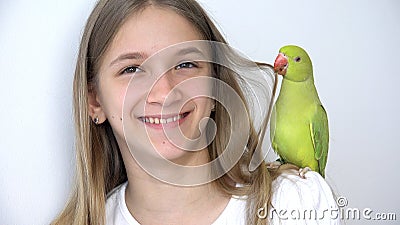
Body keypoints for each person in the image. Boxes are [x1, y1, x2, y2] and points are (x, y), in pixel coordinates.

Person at [52, 0, 340, 224]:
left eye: (185, 64)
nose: (164, 92)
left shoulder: (298, 202)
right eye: (131, 69)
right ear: (94, 101)